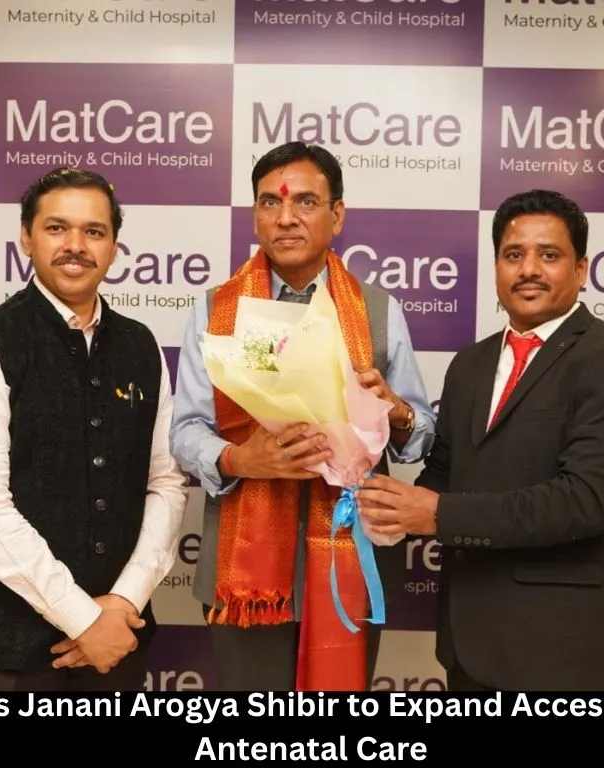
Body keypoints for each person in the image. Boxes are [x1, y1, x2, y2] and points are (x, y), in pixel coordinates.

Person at [357, 189, 604, 692]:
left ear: (581, 269)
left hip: (564, 648)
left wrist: (437, 514)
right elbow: (444, 476)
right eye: (513, 255)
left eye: (549, 255)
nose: (529, 270)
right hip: (468, 644)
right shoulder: (469, 365)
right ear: (497, 265)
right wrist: (378, 506)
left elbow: (587, 501)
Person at [170, 141, 436, 691]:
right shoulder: (216, 310)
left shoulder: (378, 311)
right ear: (255, 215)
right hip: (243, 574)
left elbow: (420, 437)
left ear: (337, 215)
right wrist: (241, 458)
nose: (286, 217)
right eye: (270, 202)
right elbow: (186, 430)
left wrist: (396, 411)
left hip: (350, 556)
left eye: (305, 202)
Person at [0, 167, 187, 692]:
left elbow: (165, 482)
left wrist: (124, 601)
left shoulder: (141, 346)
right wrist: (82, 618)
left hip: (115, 646)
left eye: (94, 231)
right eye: (56, 228)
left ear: (113, 247)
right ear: (26, 237)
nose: (76, 246)